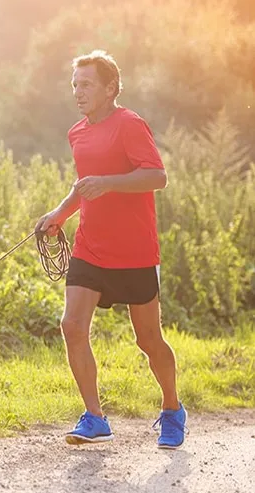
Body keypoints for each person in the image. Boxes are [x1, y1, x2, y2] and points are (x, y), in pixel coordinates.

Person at [35, 49, 186, 449]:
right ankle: (95, 417)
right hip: (90, 248)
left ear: (110, 87)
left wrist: (108, 183)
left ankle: (173, 409)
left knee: (148, 340)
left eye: (86, 84)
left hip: (136, 252)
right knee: (72, 326)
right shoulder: (77, 132)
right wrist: (59, 214)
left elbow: (157, 176)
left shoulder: (130, 125)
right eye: (75, 84)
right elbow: (84, 185)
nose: (78, 92)